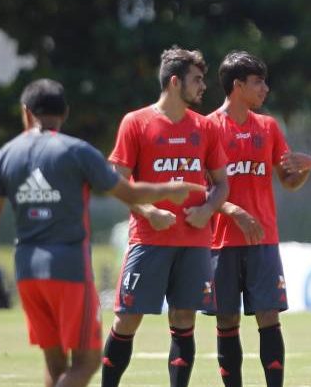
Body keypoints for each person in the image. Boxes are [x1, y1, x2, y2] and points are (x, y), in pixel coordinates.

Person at [0, 79, 204, 387]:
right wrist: (169, 190)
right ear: (64, 113)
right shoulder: (77, 151)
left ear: (26, 113)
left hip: (26, 269)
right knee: (87, 361)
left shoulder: (6, 155)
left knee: (55, 364)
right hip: (69, 269)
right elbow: (127, 193)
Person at [101, 47, 230, 387]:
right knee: (127, 319)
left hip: (194, 244)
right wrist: (148, 211)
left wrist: (207, 210)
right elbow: (116, 180)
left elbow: (222, 185)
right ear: (175, 82)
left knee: (185, 318)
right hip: (149, 240)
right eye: (197, 79)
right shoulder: (136, 122)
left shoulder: (206, 127)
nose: (203, 86)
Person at [207, 51, 311, 387]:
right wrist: (233, 211)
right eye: (258, 82)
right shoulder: (208, 127)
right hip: (221, 241)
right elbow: (199, 190)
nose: (265, 88)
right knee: (227, 320)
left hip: (263, 240)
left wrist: (305, 167)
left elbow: (288, 181)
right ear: (237, 86)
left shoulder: (268, 127)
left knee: (269, 317)